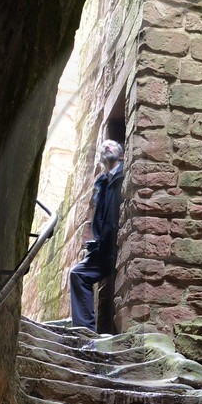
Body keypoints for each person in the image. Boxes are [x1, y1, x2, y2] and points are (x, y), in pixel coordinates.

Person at [69, 139, 124, 329]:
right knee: (77, 273)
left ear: (122, 154)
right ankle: (84, 329)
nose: (106, 146)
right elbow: (100, 217)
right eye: (103, 146)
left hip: (119, 244)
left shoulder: (125, 173)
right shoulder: (101, 183)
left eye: (112, 145)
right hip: (103, 248)